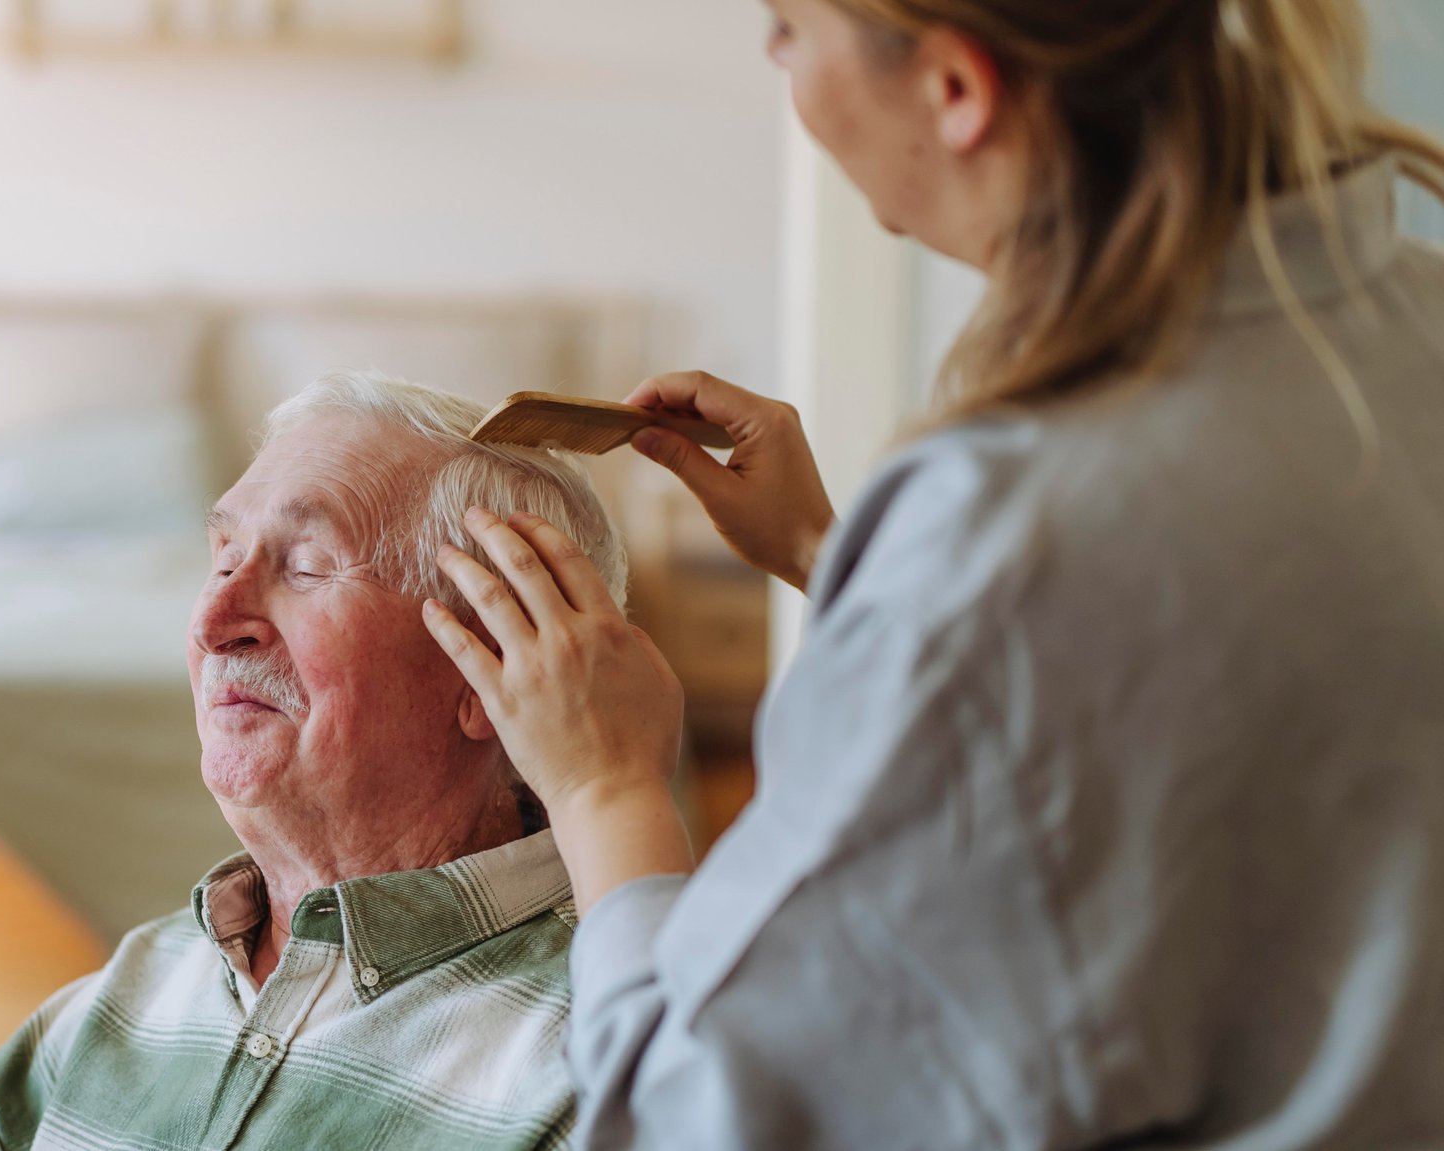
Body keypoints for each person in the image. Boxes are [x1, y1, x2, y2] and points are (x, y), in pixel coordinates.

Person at [420, 0, 1444, 1147]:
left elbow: (698, 1123)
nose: (774, 60)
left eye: (787, 29)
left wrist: (606, 787)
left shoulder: (1011, 534)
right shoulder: (1411, 310)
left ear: (955, 88)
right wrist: (830, 555)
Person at [0, 370, 630, 1151]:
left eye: (307, 566)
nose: (214, 624)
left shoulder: (617, 1050)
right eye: (223, 557)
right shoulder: (115, 1002)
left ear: (498, 663)